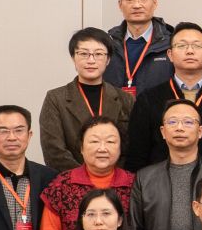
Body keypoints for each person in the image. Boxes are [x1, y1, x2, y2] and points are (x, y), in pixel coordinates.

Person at [123, 22, 202, 171]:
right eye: (181, 45)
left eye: (197, 46)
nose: (190, 51)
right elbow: (137, 155)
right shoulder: (148, 99)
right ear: (170, 55)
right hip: (160, 182)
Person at [39, 118, 134, 230]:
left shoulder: (134, 184)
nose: (102, 148)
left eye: (111, 141)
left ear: (120, 147)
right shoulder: (63, 184)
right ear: (81, 148)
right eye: (94, 141)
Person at [129, 99, 202, 230]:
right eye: (172, 122)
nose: (179, 128)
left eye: (188, 122)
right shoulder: (145, 178)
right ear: (163, 132)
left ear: (200, 131)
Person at [39, 28, 135, 171]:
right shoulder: (55, 98)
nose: (91, 60)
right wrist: (85, 178)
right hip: (72, 180)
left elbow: (132, 147)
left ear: (108, 59)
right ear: (73, 58)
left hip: (117, 181)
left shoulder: (125, 99)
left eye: (98, 54)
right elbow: (53, 152)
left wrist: (111, 177)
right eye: (84, 54)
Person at [106, 0, 173, 96]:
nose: (137, 5)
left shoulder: (171, 42)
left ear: (155, 2)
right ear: (120, 5)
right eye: (130, 0)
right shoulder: (107, 43)